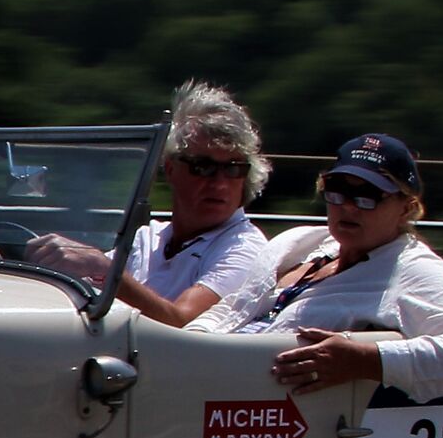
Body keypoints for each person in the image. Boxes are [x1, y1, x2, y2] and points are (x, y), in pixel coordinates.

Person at [230, 132, 443, 403]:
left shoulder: (411, 269)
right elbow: (229, 310)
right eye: (337, 191)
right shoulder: (302, 242)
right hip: (214, 371)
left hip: (255, 404)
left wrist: (366, 360)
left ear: (406, 208)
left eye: (368, 195)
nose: (348, 207)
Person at [16, 79, 277, 328]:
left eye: (233, 169)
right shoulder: (149, 237)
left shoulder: (244, 248)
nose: (220, 184)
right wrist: (17, 270)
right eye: (203, 167)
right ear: (171, 169)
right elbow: (88, 286)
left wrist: (105, 269)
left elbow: (183, 323)